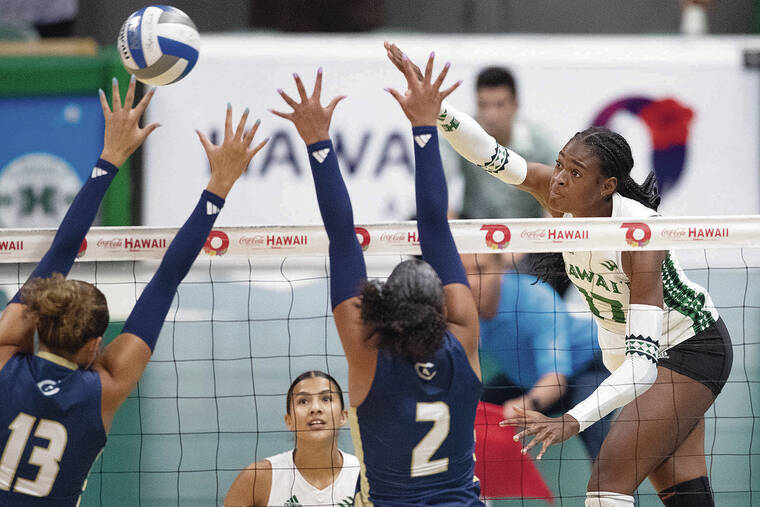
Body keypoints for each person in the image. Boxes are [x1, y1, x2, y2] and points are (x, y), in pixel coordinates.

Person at [385, 44, 733, 507]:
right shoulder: (556, 198)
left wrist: (573, 420)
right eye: (561, 164)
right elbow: (488, 152)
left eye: (575, 171)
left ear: (606, 187)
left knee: (608, 478)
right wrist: (436, 111)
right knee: (684, 494)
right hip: (630, 361)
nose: (559, 179)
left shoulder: (638, 237)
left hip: (687, 349)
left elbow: (644, 364)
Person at [0, 77, 267, 506]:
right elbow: (166, 279)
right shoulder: (103, 389)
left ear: (39, 319)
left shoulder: (5, 359)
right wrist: (219, 186)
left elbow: (62, 250)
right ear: (95, 344)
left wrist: (109, 156)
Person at [271, 61, 484, 505]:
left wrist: (317, 143)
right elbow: (436, 226)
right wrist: (425, 126)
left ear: (385, 306)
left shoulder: (368, 353)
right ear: (443, 309)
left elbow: (342, 237)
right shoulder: (462, 339)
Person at [463, 253, 611, 461]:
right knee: (471, 412)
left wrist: (525, 405)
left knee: (591, 422)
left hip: (585, 369)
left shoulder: (535, 299)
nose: (470, 281)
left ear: (501, 269)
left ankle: (614, 492)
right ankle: (479, 490)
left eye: (480, 270)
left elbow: (555, 381)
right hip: (527, 378)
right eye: (462, 271)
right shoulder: (455, 303)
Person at [225, 370, 359, 506]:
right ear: (289, 421)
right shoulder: (257, 479)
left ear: (343, 416)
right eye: (303, 401)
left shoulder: (364, 475)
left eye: (326, 399)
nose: (315, 408)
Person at [447, 66, 555, 221]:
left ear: (515, 105)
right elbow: (437, 180)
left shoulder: (541, 142)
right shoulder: (460, 134)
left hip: (527, 234)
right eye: (483, 105)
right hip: (474, 232)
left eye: (500, 104)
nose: (491, 116)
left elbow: (561, 196)